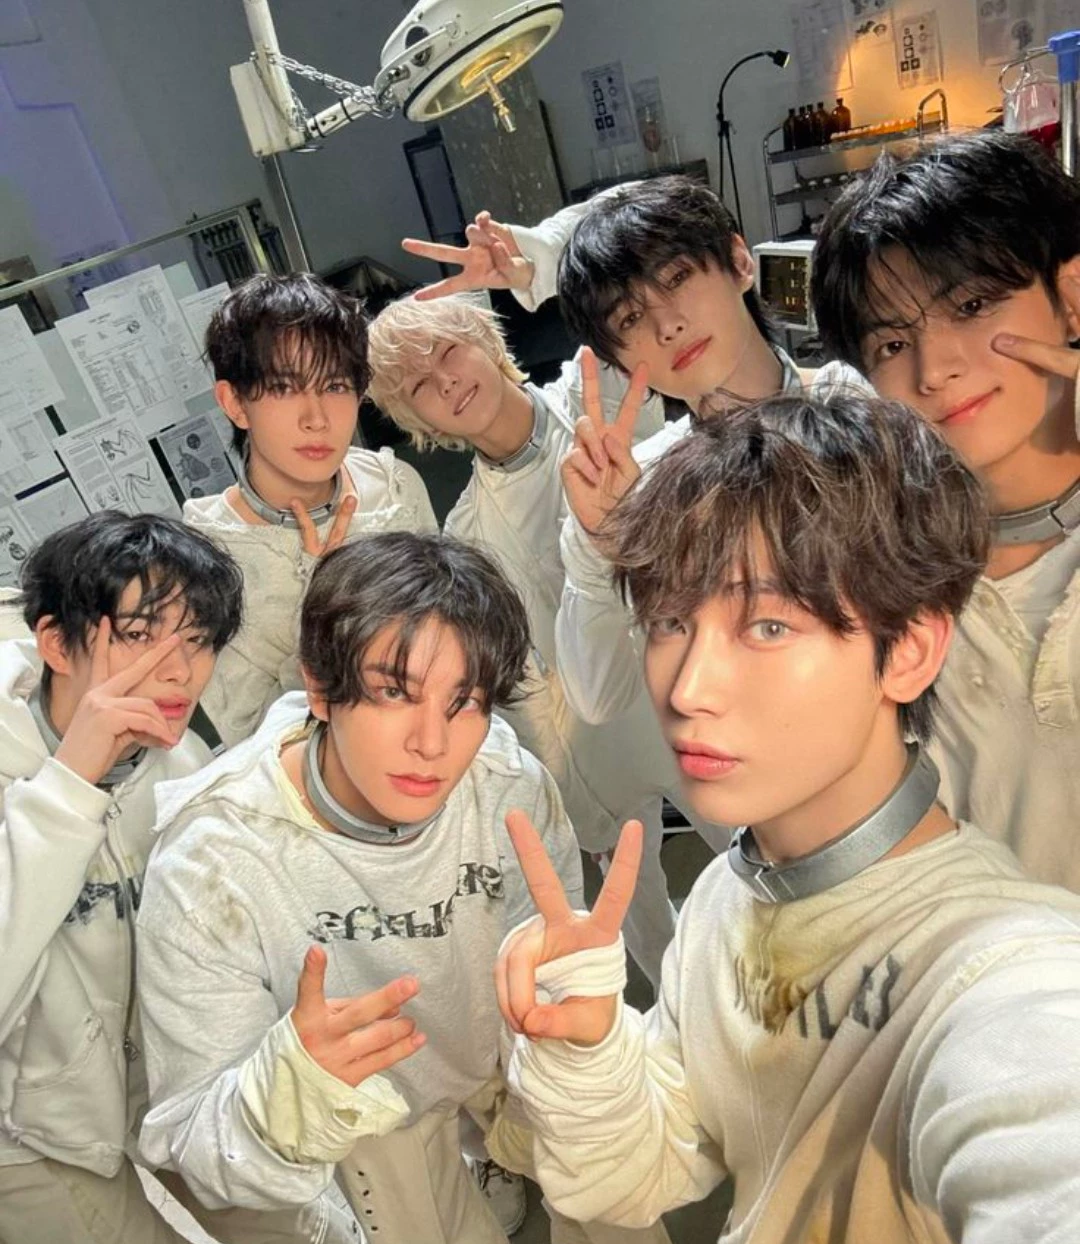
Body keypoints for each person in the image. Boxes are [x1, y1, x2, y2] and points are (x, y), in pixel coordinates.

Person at [494, 392, 1080, 1244]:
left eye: (767, 625)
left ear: (909, 650)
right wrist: (590, 1054)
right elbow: (655, 1167)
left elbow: (1040, 1136)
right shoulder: (727, 894)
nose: (688, 685)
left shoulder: (1000, 963)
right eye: (670, 620)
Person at [135, 531, 713, 1244]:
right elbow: (189, 1137)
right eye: (392, 692)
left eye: (465, 701)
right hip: (370, 1102)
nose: (432, 743)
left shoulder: (505, 784)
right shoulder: (212, 861)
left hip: (505, 1032)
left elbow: (553, 936)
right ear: (320, 685)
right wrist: (292, 1087)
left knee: (609, 1195)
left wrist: (570, 993)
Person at [0, 512, 404, 1244]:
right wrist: (69, 784)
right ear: (55, 641)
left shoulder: (176, 746)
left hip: (158, 1045)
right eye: (141, 635)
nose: (178, 670)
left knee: (268, 1197)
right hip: (24, 1125)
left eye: (197, 639)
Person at [402, 178, 856, 729]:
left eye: (678, 278)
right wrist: (599, 546)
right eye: (630, 319)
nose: (668, 325)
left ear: (739, 262)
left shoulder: (856, 404)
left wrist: (539, 257)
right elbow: (596, 697)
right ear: (616, 359)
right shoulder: (650, 484)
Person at [367, 292, 719, 987]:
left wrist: (535, 265)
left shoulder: (600, 393)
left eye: (449, 351)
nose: (447, 382)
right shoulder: (468, 533)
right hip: (599, 730)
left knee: (763, 853)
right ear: (418, 422)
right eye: (421, 387)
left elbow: (641, 291)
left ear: (487, 339)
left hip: (701, 684)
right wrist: (572, 796)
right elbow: (523, 686)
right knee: (639, 913)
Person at [812, 129, 1080, 893]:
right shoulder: (890, 581)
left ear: (1070, 299)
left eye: (971, 304)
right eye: (893, 345)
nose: (935, 369)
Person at [188, 271, 437, 748]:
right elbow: (255, 738)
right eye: (284, 388)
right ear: (234, 403)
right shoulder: (206, 558)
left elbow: (451, 639)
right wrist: (325, 604)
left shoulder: (394, 487)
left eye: (335, 386)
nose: (317, 418)